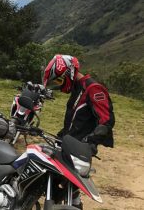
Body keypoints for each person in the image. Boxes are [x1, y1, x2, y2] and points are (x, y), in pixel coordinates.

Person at [43, 54, 114, 209]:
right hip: (68, 144)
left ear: (70, 73)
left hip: (80, 148)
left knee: (72, 185)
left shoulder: (93, 88)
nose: (59, 87)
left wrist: (91, 141)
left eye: (59, 81)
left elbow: (106, 121)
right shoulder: (78, 89)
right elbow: (76, 121)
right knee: (57, 181)